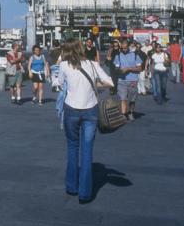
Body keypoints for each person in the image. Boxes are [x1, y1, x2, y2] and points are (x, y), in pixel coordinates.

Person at [59, 39, 114, 203]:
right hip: (91, 110)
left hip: (71, 109)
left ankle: (71, 186)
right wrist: (94, 84)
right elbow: (110, 82)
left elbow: (58, 83)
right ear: (81, 49)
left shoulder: (64, 65)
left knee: (72, 147)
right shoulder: (92, 64)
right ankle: (85, 194)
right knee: (87, 150)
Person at [111, 38, 142, 121]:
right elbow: (116, 67)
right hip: (121, 80)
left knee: (132, 99)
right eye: (122, 48)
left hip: (132, 80)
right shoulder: (118, 56)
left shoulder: (135, 55)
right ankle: (124, 114)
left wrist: (128, 69)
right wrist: (118, 70)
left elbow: (139, 69)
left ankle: (131, 112)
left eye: (125, 48)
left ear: (128, 47)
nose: (124, 50)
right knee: (123, 98)